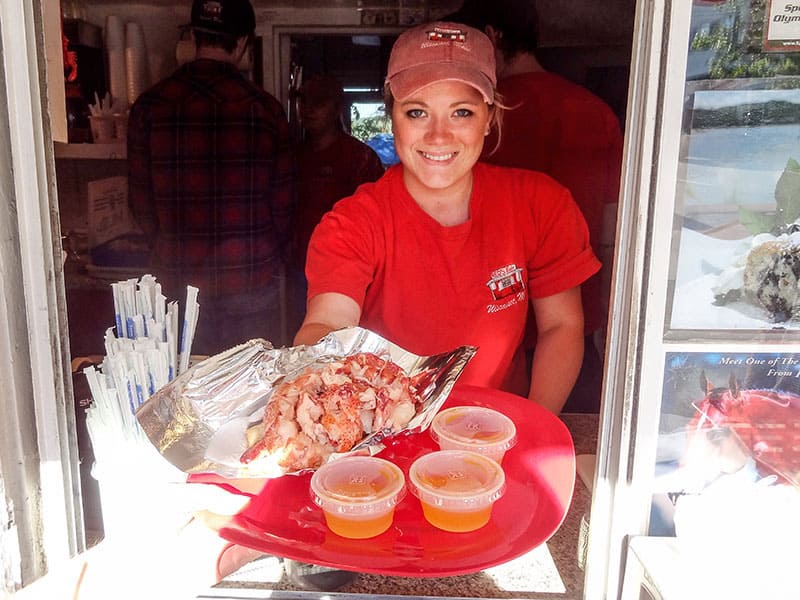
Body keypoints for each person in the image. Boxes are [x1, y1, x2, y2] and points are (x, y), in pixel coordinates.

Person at [295, 21, 601, 415]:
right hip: (387, 441)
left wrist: (531, 426)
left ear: (489, 117)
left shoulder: (542, 204)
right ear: (392, 117)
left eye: (461, 112)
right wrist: (317, 370)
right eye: (417, 112)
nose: (439, 137)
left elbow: (561, 326)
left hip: (498, 431)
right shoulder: (352, 223)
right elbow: (329, 324)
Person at [447, 0, 624, 410]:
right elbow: (615, 228)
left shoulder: (479, 117)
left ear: (492, 37)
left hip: (491, 330)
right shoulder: (596, 112)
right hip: (575, 321)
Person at [127, 0, 294, 356]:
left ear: (194, 37)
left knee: (184, 390)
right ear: (242, 43)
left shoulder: (150, 107)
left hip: (178, 281)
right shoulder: (265, 110)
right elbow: (283, 205)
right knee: (250, 396)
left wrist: (171, 246)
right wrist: (269, 255)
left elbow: (140, 204)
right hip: (250, 277)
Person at [289, 74, 384, 332]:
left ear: (337, 108)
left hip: (349, 272)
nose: (308, 109)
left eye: (319, 102)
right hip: (297, 267)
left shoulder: (359, 158)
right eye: (303, 101)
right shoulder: (292, 156)